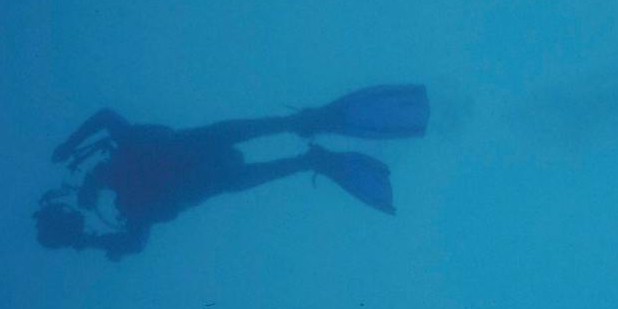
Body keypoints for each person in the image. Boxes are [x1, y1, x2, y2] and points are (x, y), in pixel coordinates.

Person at [37, 84, 429, 260]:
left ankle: (308, 151)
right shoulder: (128, 193)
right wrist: (69, 147)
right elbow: (107, 119)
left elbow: (132, 242)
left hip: (206, 162)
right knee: (235, 150)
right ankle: (307, 139)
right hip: (208, 160)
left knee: (234, 160)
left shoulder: (126, 188)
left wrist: (70, 148)